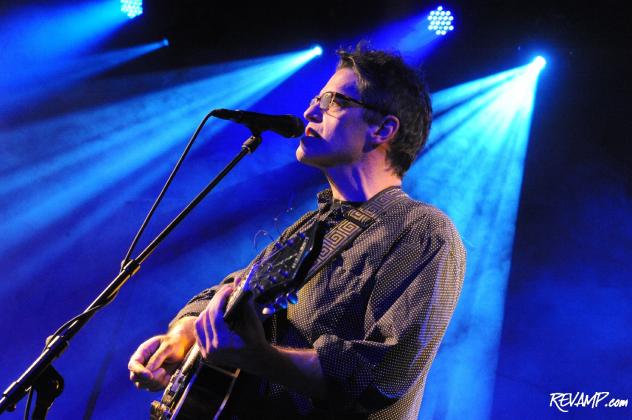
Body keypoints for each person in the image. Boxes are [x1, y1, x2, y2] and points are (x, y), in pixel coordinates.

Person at [129, 44, 466, 419]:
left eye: (334, 101)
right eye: (315, 100)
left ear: (383, 129)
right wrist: (182, 336)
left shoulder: (422, 230)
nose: (310, 112)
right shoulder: (308, 228)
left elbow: (384, 373)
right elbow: (224, 293)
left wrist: (261, 357)